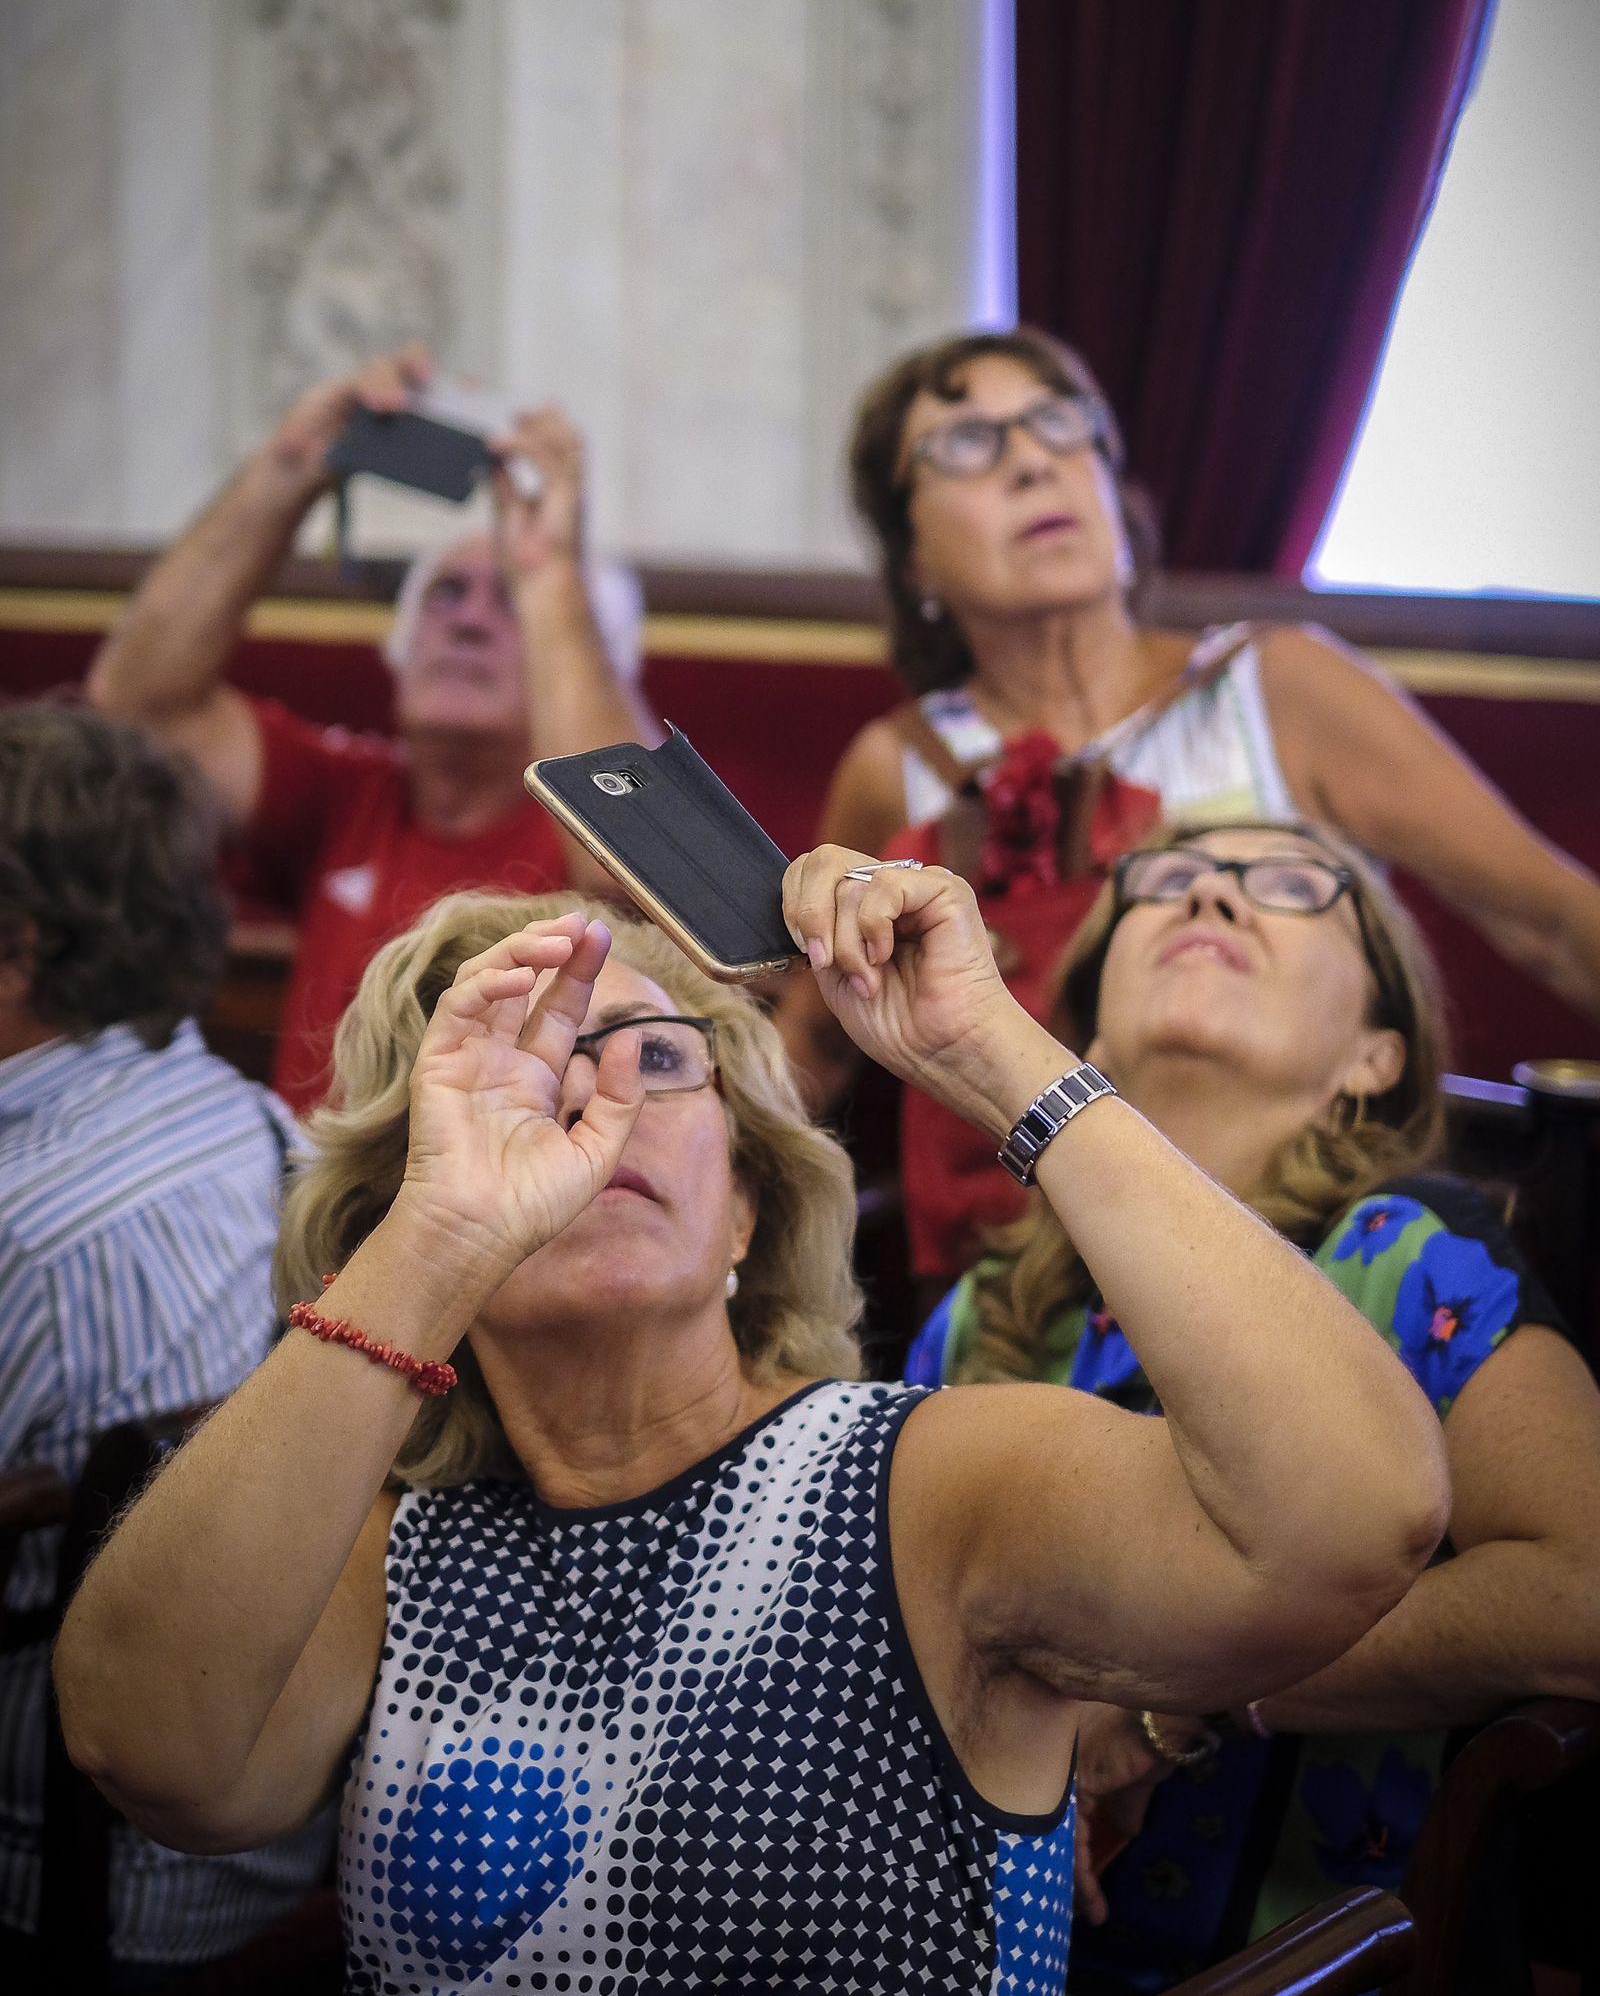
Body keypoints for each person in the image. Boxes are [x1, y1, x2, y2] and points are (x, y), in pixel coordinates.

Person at [53, 848, 1448, 1994]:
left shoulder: (926, 1481)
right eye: (524, 1074)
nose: (591, 1104)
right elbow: (149, 1748)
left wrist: (994, 1052)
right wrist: (439, 1236)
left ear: (745, 1206)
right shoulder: (384, 1549)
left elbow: (1354, 1512)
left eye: (654, 1057)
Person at [906, 818, 1600, 1990]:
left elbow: (1583, 1593)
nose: (1210, 901)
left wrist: (1178, 1696)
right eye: (1165, 881)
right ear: (1088, 1033)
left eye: (1286, 885)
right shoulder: (980, 1313)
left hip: (1319, 1957)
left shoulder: (1410, 1254)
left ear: (1374, 1055)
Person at [777, 326, 1600, 1294]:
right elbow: (812, 1046)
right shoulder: (899, 765)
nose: (1034, 461)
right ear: (912, 558)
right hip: (1017, 1289)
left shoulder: (1277, 686)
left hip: (1310, 1246)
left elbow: (1550, 920)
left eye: (1057, 424)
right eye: (966, 442)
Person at [86, 346, 657, 1112]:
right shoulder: (349, 792)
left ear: (576, 659)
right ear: (397, 650)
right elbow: (141, 710)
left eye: (507, 602)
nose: (467, 622)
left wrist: (550, 567)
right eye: (446, 594)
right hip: (309, 1210)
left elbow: (644, 870)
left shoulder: (581, 834)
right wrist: (289, 469)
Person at [0, 704, 331, 1989]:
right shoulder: (260, 1123)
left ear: (20, 943)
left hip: (55, 1865)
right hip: (272, 1823)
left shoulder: (24, 1224)